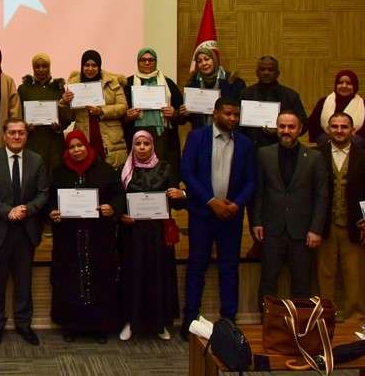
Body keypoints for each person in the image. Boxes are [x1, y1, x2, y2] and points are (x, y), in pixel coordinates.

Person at [179, 96, 256, 340]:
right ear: (215, 114)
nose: (232, 118)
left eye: (236, 115)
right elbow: (187, 172)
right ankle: (190, 319)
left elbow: (251, 179)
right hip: (202, 214)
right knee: (197, 266)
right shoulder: (197, 137)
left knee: (229, 269)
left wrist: (237, 204)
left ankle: (229, 322)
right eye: (228, 114)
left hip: (231, 216)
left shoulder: (245, 143)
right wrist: (210, 201)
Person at [0, 118, 49, 348]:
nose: (17, 137)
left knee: (24, 282)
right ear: (4, 135)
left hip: (26, 230)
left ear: (26, 135)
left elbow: (43, 193)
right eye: (12, 133)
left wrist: (27, 210)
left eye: (21, 133)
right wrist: (9, 211)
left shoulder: (36, 160)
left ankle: (24, 324)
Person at [47, 130, 123, 343]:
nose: (76, 150)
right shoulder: (59, 172)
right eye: (71, 147)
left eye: (80, 145)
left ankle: (99, 326)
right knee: (70, 279)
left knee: (99, 279)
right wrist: (52, 212)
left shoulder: (105, 170)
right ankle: (72, 326)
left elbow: (119, 196)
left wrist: (112, 208)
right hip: (69, 238)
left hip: (98, 236)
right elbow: (51, 200)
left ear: (87, 146)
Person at [251, 111, 328, 306]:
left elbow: (321, 196)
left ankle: (299, 328)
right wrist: (257, 222)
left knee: (302, 285)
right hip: (271, 229)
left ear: (300, 129)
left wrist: (315, 229)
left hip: (302, 231)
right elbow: (258, 191)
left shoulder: (315, 157)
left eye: (291, 127)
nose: (286, 131)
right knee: (268, 283)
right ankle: (267, 326)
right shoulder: (263, 154)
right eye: (282, 126)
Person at [117, 131, 186, 342]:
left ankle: (159, 323)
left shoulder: (165, 168)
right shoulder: (125, 170)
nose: (142, 147)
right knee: (132, 276)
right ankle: (130, 322)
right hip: (132, 233)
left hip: (158, 233)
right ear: (133, 146)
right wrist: (121, 215)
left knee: (159, 275)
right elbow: (117, 199)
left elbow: (176, 202)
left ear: (152, 146)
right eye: (137, 143)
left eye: (146, 143)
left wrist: (181, 195)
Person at [314, 112, 365, 327]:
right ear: (328, 130)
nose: (339, 130)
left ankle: (354, 321)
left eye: (344, 127)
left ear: (353, 131)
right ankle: (324, 320)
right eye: (335, 126)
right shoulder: (315, 155)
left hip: (354, 227)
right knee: (324, 278)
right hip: (324, 226)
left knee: (355, 278)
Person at [124, 47, 186, 176]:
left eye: (151, 60)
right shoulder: (128, 84)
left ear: (156, 62)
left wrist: (174, 113)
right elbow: (119, 116)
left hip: (163, 138)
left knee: (163, 175)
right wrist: (127, 116)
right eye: (143, 60)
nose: (147, 63)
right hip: (136, 137)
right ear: (138, 62)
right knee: (139, 176)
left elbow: (183, 114)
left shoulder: (168, 83)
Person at [63, 50, 128, 168]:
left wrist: (102, 111)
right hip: (85, 133)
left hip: (109, 136)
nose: (90, 69)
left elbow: (123, 107)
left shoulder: (112, 81)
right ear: (82, 66)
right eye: (86, 65)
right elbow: (69, 117)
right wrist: (65, 102)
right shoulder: (73, 84)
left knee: (109, 171)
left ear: (99, 66)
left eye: (94, 65)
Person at [17, 53, 72, 177]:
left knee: (55, 178)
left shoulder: (58, 89)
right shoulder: (23, 89)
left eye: (44, 66)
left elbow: (66, 116)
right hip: (32, 141)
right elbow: (17, 114)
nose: (41, 70)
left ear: (49, 67)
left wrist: (59, 126)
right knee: (32, 177)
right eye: (37, 66)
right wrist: (24, 127)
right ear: (33, 68)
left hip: (54, 144)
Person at [238, 56, 308, 150]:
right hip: (251, 149)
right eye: (262, 69)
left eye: (271, 70)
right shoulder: (246, 94)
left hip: (283, 149)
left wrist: (280, 131)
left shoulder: (290, 96)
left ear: (277, 73)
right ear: (257, 73)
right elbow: (237, 124)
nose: (266, 73)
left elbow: (303, 124)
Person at [307, 70, 365, 149]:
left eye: (349, 83)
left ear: (355, 85)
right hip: (326, 149)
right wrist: (329, 143)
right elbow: (314, 125)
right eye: (340, 83)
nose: (344, 86)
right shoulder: (323, 102)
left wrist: (347, 144)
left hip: (356, 151)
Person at [180, 46, 246, 130]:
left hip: (228, 132)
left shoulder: (233, 81)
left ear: (214, 60)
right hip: (201, 133)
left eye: (207, 59)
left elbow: (240, 111)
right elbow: (190, 118)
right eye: (199, 61)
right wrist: (186, 113)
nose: (204, 63)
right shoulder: (192, 83)